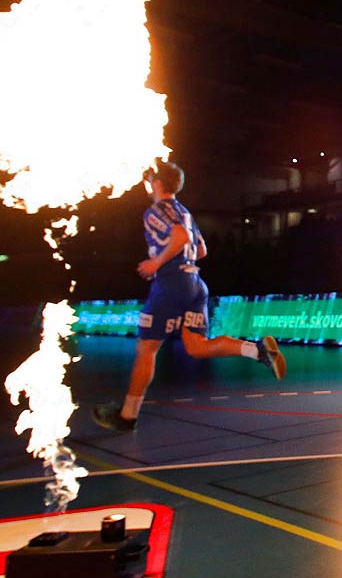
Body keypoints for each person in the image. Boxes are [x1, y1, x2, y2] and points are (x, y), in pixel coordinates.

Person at [93, 160, 285, 431]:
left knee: (146, 349)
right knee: (196, 346)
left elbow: (181, 238)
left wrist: (155, 264)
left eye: (150, 181)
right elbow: (202, 249)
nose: (148, 185)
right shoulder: (184, 211)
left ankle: (127, 416)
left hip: (171, 283)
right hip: (195, 283)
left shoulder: (155, 211)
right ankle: (257, 351)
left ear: (158, 184)